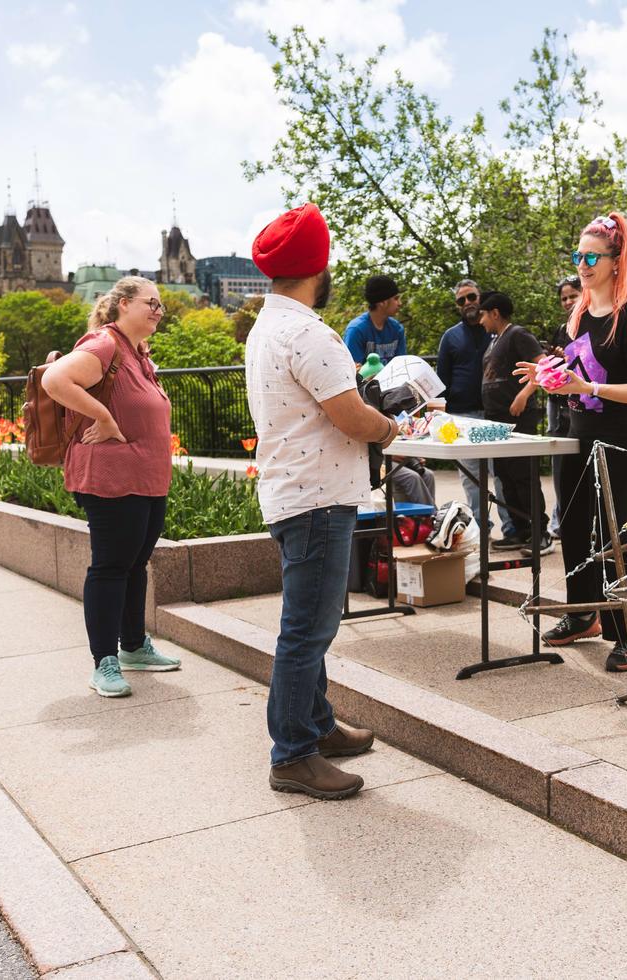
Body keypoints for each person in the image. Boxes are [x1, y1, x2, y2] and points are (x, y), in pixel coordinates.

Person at [245, 202, 398, 801]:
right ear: (319, 268)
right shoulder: (309, 332)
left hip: (293, 491)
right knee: (307, 630)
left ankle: (318, 726)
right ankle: (293, 754)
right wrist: (390, 431)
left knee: (310, 624)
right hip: (317, 498)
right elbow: (350, 416)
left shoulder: (267, 327)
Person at [517, 213, 627, 673]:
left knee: (612, 533)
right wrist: (547, 379)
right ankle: (582, 615)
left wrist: (588, 389)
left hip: (617, 436)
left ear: (617, 262)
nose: (583, 263)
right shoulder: (575, 318)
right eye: (578, 255)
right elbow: (570, 379)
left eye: (592, 256)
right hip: (576, 434)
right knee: (573, 527)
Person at [42, 276, 182, 699]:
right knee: (110, 566)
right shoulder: (104, 344)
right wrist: (103, 417)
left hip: (144, 477)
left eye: (160, 304)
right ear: (122, 304)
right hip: (110, 477)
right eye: (149, 303)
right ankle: (104, 661)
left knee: (135, 563)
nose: (158, 310)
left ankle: (134, 646)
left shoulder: (138, 352)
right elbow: (55, 381)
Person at [435, 279, 514, 535]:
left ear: (480, 298)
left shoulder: (496, 329)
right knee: (471, 480)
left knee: (501, 475)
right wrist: (441, 417)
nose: (468, 303)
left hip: (493, 414)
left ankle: (512, 527)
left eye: (471, 297)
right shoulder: (450, 336)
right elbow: (441, 379)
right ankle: (481, 530)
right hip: (461, 416)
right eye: (461, 300)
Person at [479, 291, 551, 556]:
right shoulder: (494, 340)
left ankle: (540, 533)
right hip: (495, 420)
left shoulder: (518, 335)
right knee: (505, 477)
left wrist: (523, 394)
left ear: (495, 313)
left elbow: (544, 366)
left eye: (484, 314)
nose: (481, 320)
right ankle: (519, 530)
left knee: (523, 476)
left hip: (517, 417)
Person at [547, 275, 582, 537]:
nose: (568, 301)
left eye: (573, 295)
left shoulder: (594, 325)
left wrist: (569, 359)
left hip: (585, 402)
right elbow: (551, 366)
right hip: (560, 404)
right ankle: (561, 517)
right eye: (564, 298)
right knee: (560, 463)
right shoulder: (561, 329)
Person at [343, 275, 407, 368]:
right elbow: (353, 370)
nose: (400, 303)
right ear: (382, 302)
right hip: (364, 382)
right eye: (396, 299)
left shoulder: (397, 329)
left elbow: (402, 366)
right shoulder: (356, 330)